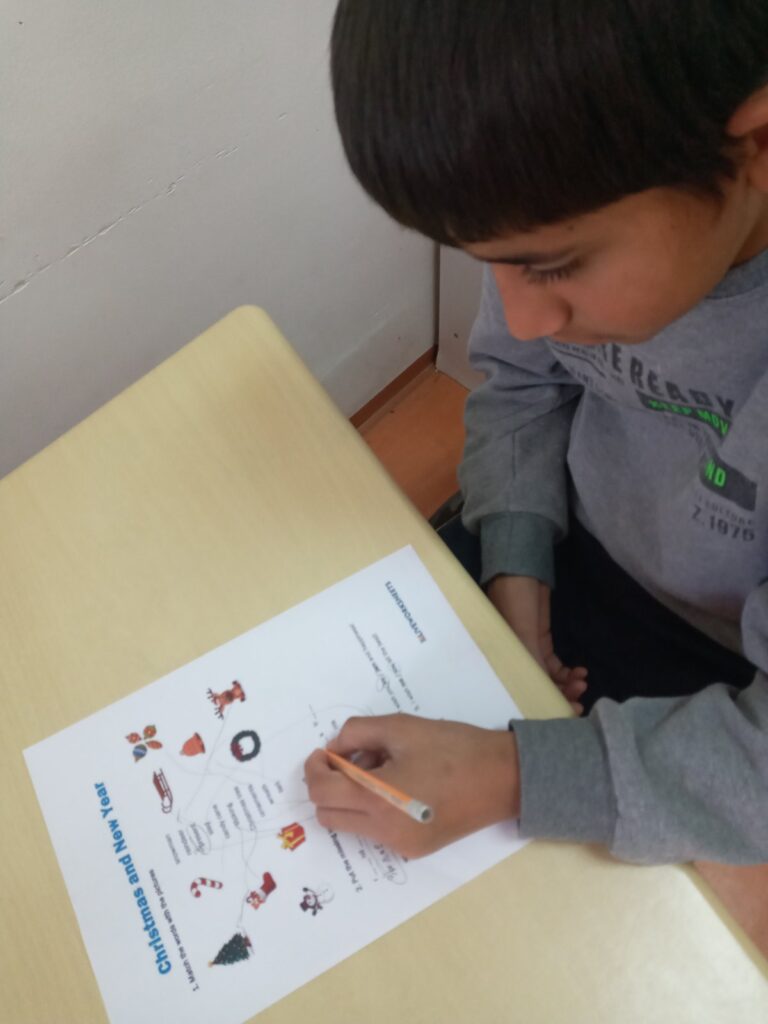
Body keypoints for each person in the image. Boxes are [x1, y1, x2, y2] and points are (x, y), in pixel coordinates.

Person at [305, 0, 768, 865]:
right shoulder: (557, 186)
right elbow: (520, 386)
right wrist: (518, 570)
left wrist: (514, 776)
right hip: (560, 542)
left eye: (553, 266)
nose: (520, 320)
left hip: (722, 660)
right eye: (492, 265)